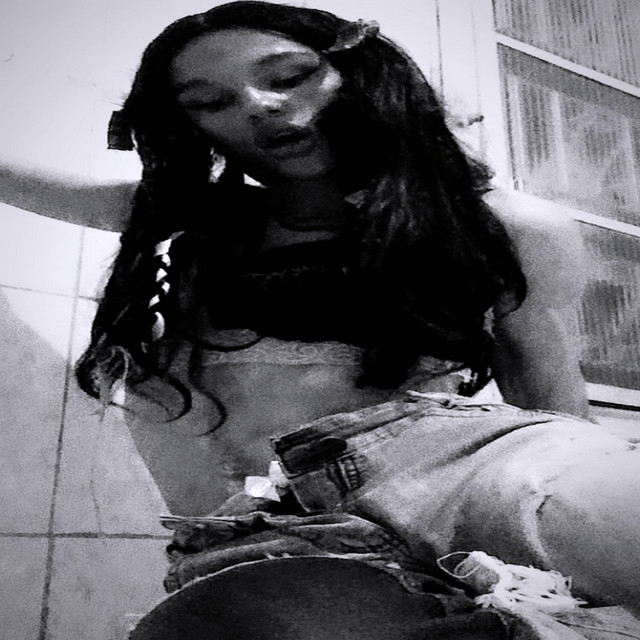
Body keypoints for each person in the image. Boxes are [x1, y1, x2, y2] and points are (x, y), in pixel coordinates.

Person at [2, 0, 639, 628]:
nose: (258, 105)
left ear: (359, 71)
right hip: (264, 525)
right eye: (211, 102)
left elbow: (552, 408)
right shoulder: (211, 225)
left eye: (290, 76)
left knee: (595, 502)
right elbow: (31, 184)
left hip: (445, 475)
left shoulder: (500, 225)